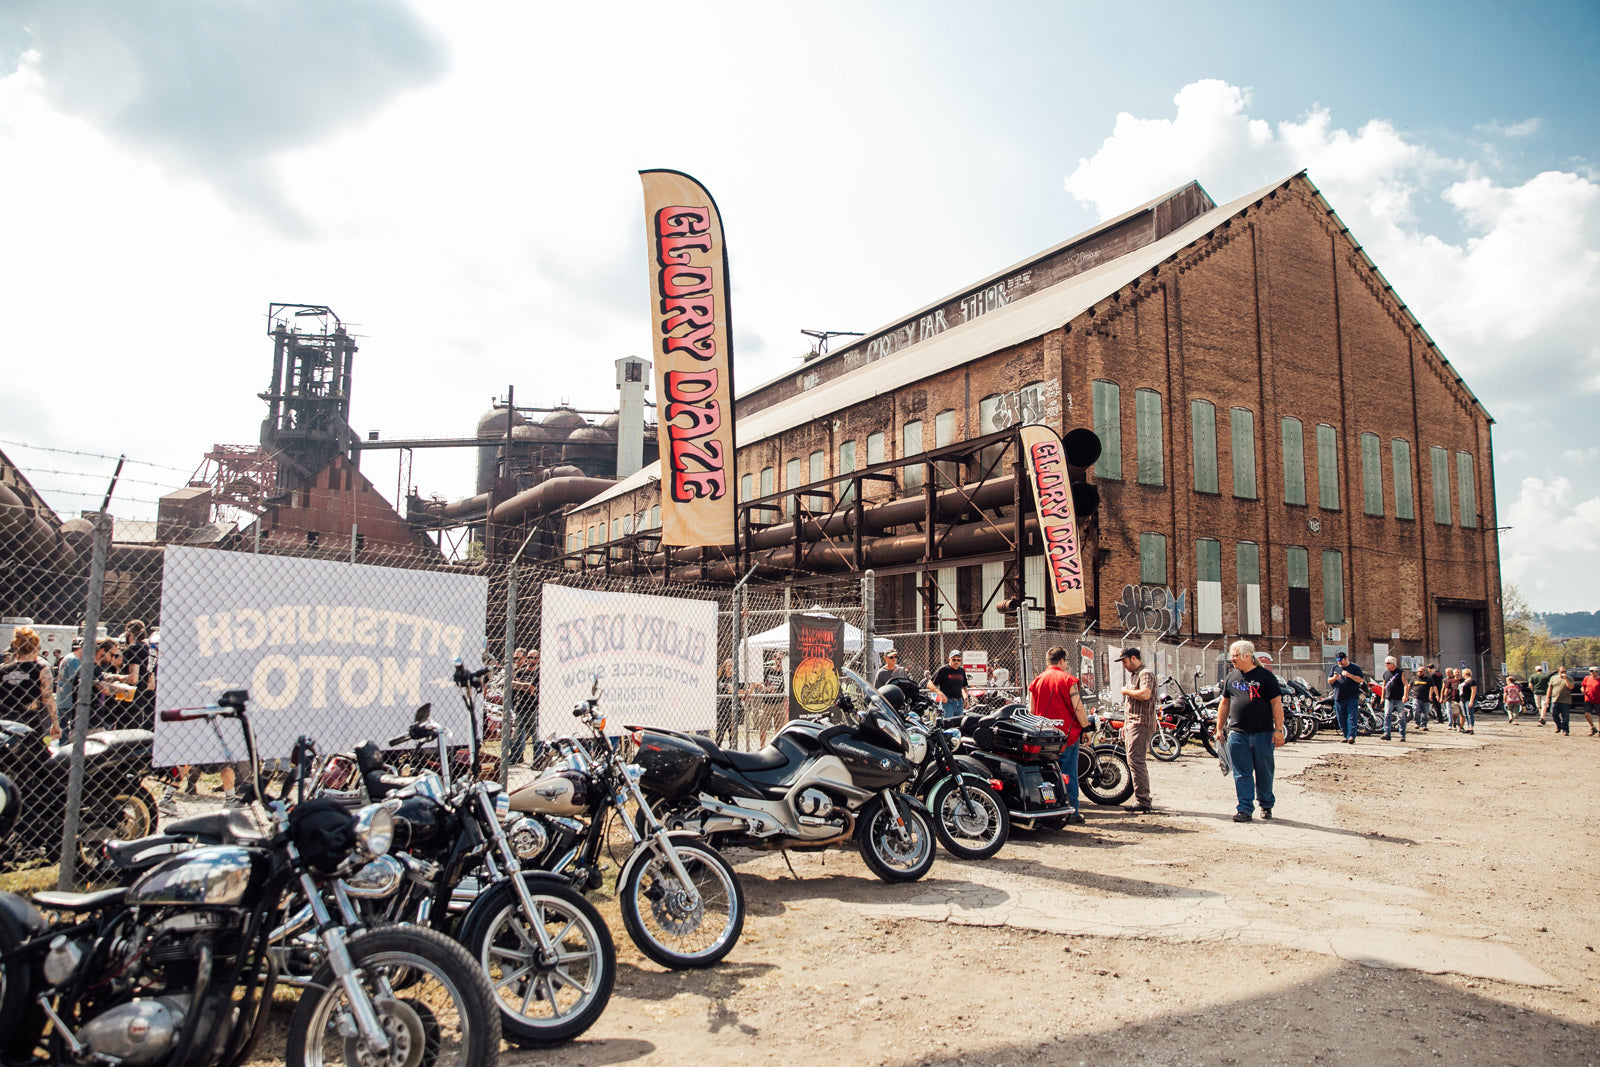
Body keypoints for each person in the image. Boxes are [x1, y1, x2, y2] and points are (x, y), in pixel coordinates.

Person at [1214, 640, 1284, 823]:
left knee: (1264, 772)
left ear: (1247, 656)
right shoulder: (1231, 678)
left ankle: (1266, 804)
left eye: (1235, 656)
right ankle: (1244, 809)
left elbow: (1276, 703)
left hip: (1263, 734)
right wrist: (1219, 728)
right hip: (1238, 734)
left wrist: (1278, 730)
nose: (1232, 659)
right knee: (1241, 773)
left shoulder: (1266, 677)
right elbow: (1225, 703)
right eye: (1232, 656)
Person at [1027, 645, 1089, 826]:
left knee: (1047, 774)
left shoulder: (1037, 681)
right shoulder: (1068, 680)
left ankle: (1048, 810)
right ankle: (1072, 811)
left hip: (1043, 736)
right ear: (1062, 660)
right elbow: (1078, 707)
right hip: (1067, 736)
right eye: (1066, 661)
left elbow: (1031, 711)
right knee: (1069, 773)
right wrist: (1085, 727)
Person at [1116, 647, 1156, 814]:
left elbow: (1145, 694)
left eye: (1125, 661)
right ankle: (1141, 798)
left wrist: (1126, 691)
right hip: (1133, 723)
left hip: (1141, 723)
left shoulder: (1145, 673)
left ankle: (1143, 800)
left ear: (1133, 658)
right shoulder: (1134, 674)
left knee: (1136, 761)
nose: (1124, 665)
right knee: (1133, 760)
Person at [1, 627, 57, 741]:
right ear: (36, 647)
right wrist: (55, 723)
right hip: (29, 719)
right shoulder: (42, 669)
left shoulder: (3, 669)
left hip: (5, 719)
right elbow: (48, 699)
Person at [506, 648, 540, 765]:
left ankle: (537, 759)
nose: (531, 660)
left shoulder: (538, 672)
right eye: (529, 658)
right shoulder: (520, 671)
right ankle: (515, 757)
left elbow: (532, 688)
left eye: (533, 658)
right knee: (516, 736)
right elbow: (512, 685)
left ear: (538, 659)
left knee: (536, 736)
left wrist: (520, 685)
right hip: (520, 706)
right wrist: (525, 686)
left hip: (533, 707)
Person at [1328, 651, 1365, 745]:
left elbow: (1360, 680)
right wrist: (1334, 678)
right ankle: (1345, 735)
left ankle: (1351, 736)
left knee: (1351, 717)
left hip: (1352, 697)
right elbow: (1329, 681)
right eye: (1338, 661)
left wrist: (1349, 675)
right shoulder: (1335, 668)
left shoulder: (1354, 667)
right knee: (1341, 718)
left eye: (1341, 661)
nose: (1339, 663)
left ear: (1346, 658)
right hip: (1339, 697)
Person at [929, 652, 970, 716]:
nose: (956, 662)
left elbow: (963, 687)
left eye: (958, 660)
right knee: (949, 723)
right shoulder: (943, 670)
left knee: (959, 723)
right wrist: (940, 693)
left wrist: (966, 699)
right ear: (949, 659)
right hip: (947, 703)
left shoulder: (961, 671)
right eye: (954, 660)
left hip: (959, 702)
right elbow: (930, 684)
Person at [1381, 656, 1407, 741]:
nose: (1386, 665)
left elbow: (1406, 684)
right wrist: (1382, 697)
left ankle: (1402, 734)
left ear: (1393, 664)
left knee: (1401, 716)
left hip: (1399, 698)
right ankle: (1387, 733)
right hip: (1389, 697)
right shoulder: (1385, 673)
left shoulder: (1400, 672)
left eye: (1388, 663)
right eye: (1385, 663)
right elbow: (1384, 686)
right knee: (1387, 715)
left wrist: (1405, 695)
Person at [1547, 667, 1575, 735]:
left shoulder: (1569, 678)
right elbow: (1550, 688)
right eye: (1562, 671)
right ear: (1558, 671)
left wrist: (1565, 679)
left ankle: (1565, 730)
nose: (1563, 673)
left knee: (1565, 716)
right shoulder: (1553, 678)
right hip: (1555, 699)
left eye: (1565, 671)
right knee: (1554, 714)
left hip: (1565, 700)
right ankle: (1559, 726)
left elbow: (1571, 687)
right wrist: (1548, 698)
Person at [1409, 666, 1434, 732]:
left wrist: (1431, 695)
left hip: (1425, 698)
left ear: (1424, 672)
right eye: (1418, 672)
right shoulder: (1414, 678)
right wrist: (1406, 694)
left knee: (1425, 712)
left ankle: (1424, 725)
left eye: (1421, 671)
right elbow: (1409, 686)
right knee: (1416, 709)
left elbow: (1433, 687)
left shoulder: (1428, 679)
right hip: (1416, 697)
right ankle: (1417, 723)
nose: (1419, 673)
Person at [1459, 668, 1478, 735]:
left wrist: (1471, 701)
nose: (1462, 675)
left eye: (1463, 673)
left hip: (1468, 699)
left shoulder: (1472, 681)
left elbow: (1473, 691)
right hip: (1463, 699)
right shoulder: (1464, 682)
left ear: (1466, 674)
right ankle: (1468, 727)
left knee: (1470, 714)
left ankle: (1471, 728)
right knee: (1465, 714)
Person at [1582, 667, 1600, 736]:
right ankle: (1593, 727)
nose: (1592, 673)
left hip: (1598, 700)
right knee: (1587, 714)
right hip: (1588, 699)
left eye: (1594, 671)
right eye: (1591, 671)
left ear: (1597, 672)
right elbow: (1583, 686)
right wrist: (1582, 690)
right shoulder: (1587, 678)